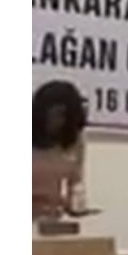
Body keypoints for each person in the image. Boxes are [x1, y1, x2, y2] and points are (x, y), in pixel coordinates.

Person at [32, 80, 87, 219]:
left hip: (51, 219)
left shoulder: (75, 141)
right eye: (52, 114)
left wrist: (75, 206)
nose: (57, 121)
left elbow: (75, 183)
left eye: (63, 115)